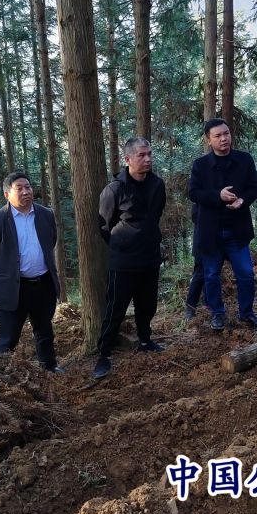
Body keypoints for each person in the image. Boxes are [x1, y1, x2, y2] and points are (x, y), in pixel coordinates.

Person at [93, 138, 166, 379]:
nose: (147, 159)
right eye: (141, 155)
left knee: (148, 305)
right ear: (127, 159)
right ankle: (104, 354)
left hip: (150, 258)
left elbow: (156, 215)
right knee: (115, 308)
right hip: (123, 261)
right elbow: (104, 226)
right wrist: (123, 242)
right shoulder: (114, 189)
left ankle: (145, 340)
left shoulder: (157, 185)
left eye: (149, 154)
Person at [189, 118, 257, 331]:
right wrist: (218, 196)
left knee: (246, 274)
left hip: (237, 229)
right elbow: (193, 193)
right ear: (209, 140)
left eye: (226, 134)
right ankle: (217, 314)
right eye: (218, 136)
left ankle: (247, 313)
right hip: (210, 231)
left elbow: (254, 188)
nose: (224, 138)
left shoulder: (244, 160)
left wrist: (242, 200)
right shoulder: (200, 165)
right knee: (211, 275)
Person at [0, 172, 63, 373]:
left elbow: (51, 241)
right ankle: (1, 375)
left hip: (43, 284)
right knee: (8, 337)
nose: (26, 192)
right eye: (19, 188)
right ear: (7, 194)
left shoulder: (46, 215)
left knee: (44, 331)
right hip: (12, 288)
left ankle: (49, 367)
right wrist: (8, 270)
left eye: (28, 187)